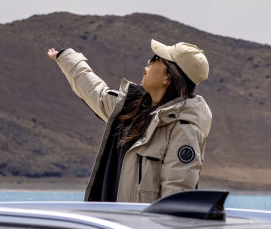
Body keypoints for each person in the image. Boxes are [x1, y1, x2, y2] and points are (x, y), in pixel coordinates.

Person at [47, 39, 211, 202]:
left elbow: (177, 193)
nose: (149, 61)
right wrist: (67, 58)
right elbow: (96, 92)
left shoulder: (184, 129)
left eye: (155, 59)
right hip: (111, 223)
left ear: (168, 77)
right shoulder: (130, 106)